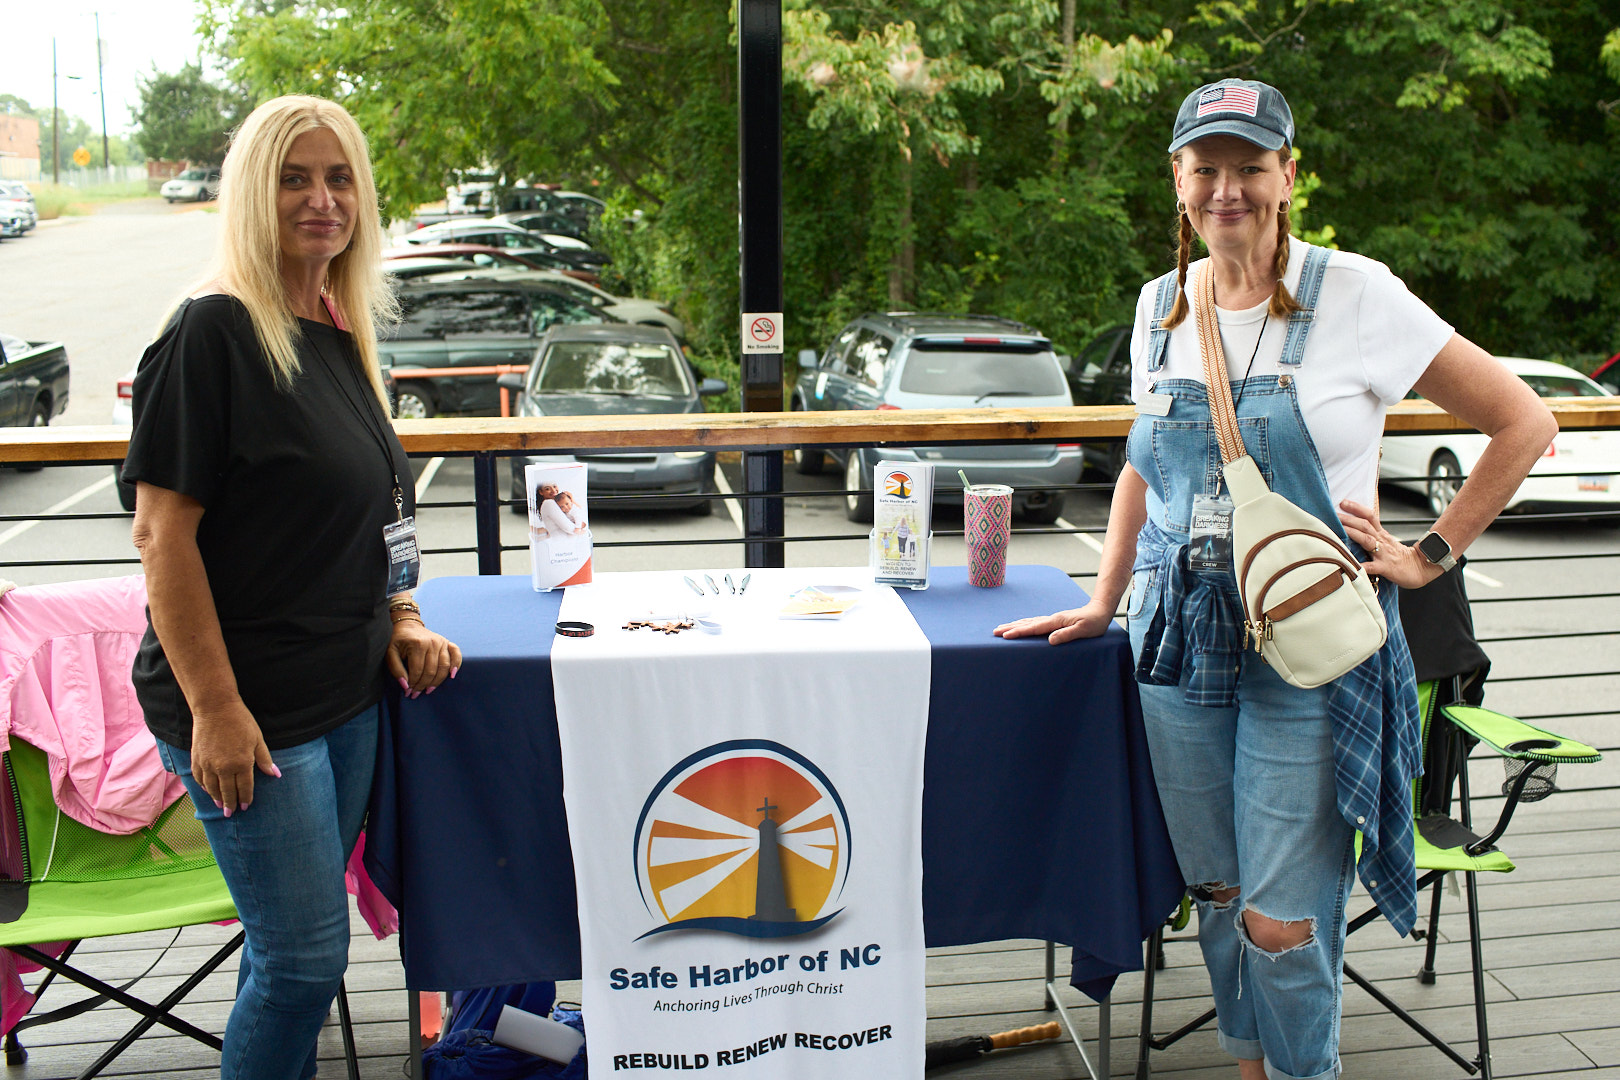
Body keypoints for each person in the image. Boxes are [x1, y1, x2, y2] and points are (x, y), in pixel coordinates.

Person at [994, 79, 1555, 1080]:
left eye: (1249, 167)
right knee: (1217, 892)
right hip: (1178, 643)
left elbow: (1525, 421)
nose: (1227, 190)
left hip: (1307, 647)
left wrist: (1429, 556)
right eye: (1205, 168)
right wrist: (1105, 596)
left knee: (1282, 917)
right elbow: (1142, 469)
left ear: (1287, 176)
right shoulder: (1160, 305)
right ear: (1177, 182)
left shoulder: (1358, 294)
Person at [123, 94, 463, 1080]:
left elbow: (380, 503)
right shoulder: (212, 333)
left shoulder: (335, 326)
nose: (322, 199)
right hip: (250, 708)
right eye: (294, 178)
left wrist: (402, 613)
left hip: (344, 690)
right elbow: (161, 535)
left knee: (288, 957)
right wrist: (215, 710)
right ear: (250, 193)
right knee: (305, 961)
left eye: (339, 177)